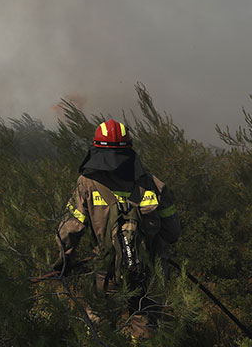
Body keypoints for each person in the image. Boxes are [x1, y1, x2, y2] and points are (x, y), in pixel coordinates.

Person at [54, 118, 181, 341]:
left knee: (98, 332)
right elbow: (172, 232)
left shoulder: (86, 184)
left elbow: (70, 229)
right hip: (148, 274)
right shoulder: (154, 184)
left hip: (107, 272)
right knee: (145, 335)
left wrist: (62, 262)